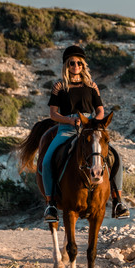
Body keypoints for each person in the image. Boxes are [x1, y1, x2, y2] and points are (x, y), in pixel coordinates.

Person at [42, 45, 129, 222]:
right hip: (67, 129)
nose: (76, 66)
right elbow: (53, 113)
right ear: (67, 65)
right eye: (72, 63)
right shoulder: (59, 86)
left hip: (90, 128)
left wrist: (94, 122)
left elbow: (100, 110)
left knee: (115, 157)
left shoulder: (91, 86)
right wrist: (70, 121)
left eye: (79, 63)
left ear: (83, 65)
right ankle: (51, 204)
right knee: (46, 161)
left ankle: (118, 201)